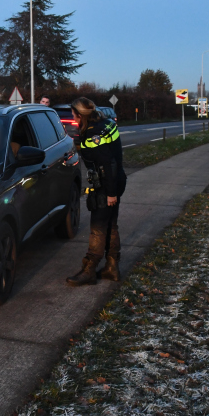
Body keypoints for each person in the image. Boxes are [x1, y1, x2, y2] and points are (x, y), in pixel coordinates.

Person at [66, 97, 127, 287]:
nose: (72, 117)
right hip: (116, 181)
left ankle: (89, 270)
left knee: (98, 228)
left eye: (73, 114)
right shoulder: (106, 123)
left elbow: (107, 164)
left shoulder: (93, 134)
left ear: (80, 115)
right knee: (111, 224)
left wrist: (110, 193)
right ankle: (112, 267)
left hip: (106, 183)